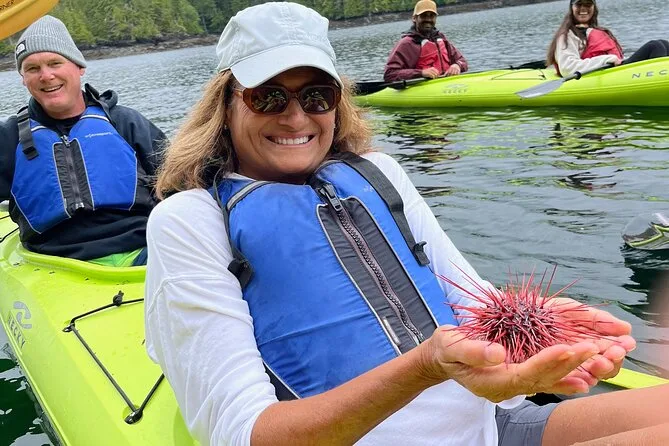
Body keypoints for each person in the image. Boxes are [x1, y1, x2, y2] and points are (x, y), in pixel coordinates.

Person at [145, 2, 669, 445]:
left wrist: (535, 338)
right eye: (268, 97)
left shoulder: (379, 174)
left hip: (489, 426)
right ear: (226, 104)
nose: (297, 117)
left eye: (317, 95)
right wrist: (425, 367)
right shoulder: (190, 221)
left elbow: (471, 299)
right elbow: (244, 434)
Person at [0, 15, 166, 266]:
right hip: (54, 264)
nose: (46, 75)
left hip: (143, 253)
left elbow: (182, 185)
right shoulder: (9, 137)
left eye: (55, 63)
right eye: (32, 68)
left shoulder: (125, 123)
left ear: (79, 67)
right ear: (23, 78)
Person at [547, 0, 669, 77]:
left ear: (594, 8)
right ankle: (661, 80)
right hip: (598, 75)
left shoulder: (595, 31)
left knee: (664, 44)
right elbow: (568, 68)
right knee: (655, 46)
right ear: (572, 8)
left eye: (588, 4)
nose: (583, 8)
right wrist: (608, 59)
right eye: (579, 4)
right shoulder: (567, 35)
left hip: (613, 70)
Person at [383, 0, 468, 82]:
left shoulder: (441, 38)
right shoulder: (406, 43)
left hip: (446, 83)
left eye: (432, 16)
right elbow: (390, 74)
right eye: (424, 16)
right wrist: (421, 73)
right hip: (421, 87)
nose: (428, 19)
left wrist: (457, 65)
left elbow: (462, 61)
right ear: (414, 18)